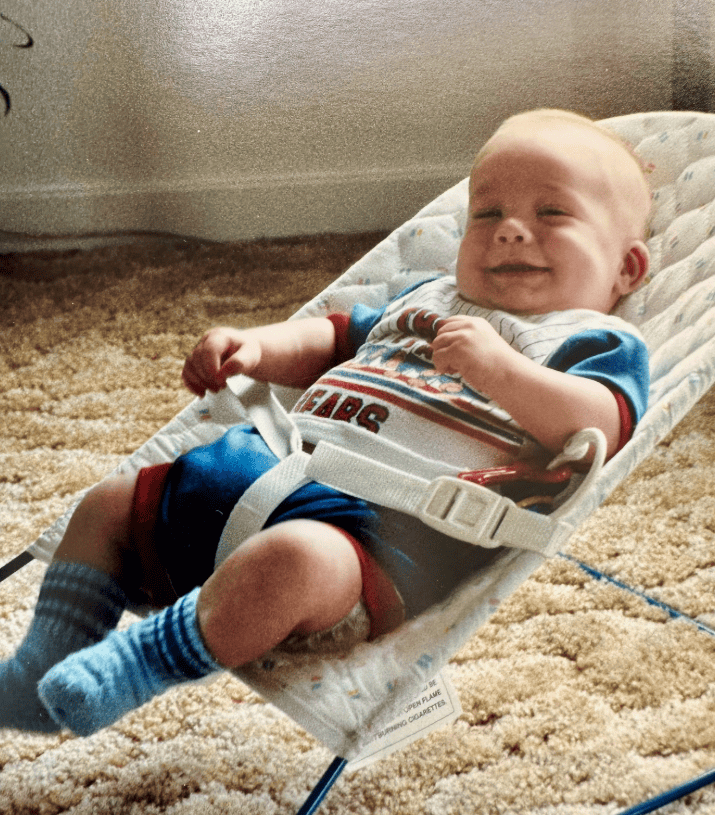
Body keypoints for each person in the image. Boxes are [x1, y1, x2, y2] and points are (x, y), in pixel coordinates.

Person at [0, 108, 652, 736]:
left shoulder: (593, 338)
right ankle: (43, 661)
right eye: (487, 213)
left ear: (625, 266)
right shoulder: (425, 300)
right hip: (261, 462)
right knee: (109, 501)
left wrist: (502, 373)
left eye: (552, 213)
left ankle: (136, 664)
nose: (510, 229)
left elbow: (597, 425)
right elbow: (328, 337)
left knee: (289, 561)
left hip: (375, 532)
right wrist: (254, 346)